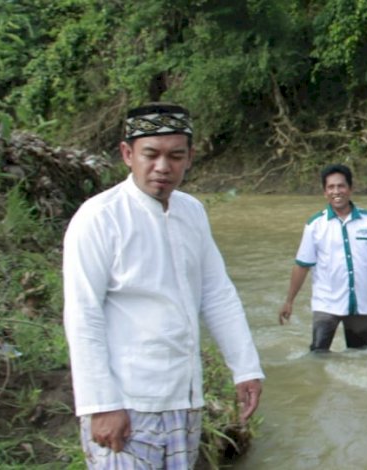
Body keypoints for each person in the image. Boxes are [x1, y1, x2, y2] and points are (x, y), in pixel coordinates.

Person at [63, 103, 264, 468]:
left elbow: (217, 294)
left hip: (184, 401)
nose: (162, 167)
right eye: (150, 154)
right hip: (127, 404)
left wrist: (246, 368)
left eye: (175, 155)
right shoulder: (98, 218)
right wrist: (101, 404)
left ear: (190, 157)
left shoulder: (192, 212)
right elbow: (82, 314)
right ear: (128, 154)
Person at [279, 164, 367, 351]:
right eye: (331, 187)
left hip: (362, 305)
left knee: (362, 359)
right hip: (326, 304)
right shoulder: (315, 225)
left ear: (350, 188)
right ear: (325, 192)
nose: (336, 191)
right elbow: (302, 265)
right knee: (318, 356)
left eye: (341, 186)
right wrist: (289, 301)